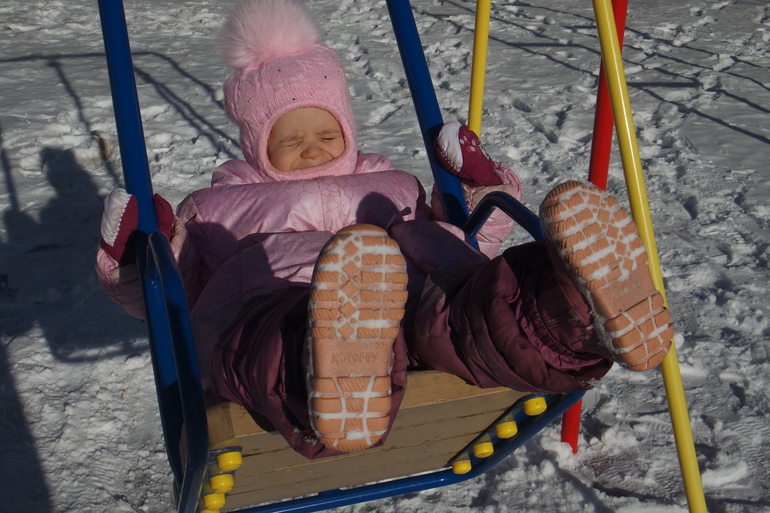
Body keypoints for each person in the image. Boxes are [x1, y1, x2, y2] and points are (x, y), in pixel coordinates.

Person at [96, 0, 673, 459]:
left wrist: (479, 190)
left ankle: (571, 310)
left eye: (326, 134)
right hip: (282, 307)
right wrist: (137, 255)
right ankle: (330, 360)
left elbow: (469, 243)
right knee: (270, 341)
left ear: (348, 128)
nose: (312, 149)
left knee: (473, 305)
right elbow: (168, 299)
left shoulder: (392, 185)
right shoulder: (218, 208)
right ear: (255, 145)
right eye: (289, 141)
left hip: (412, 309)